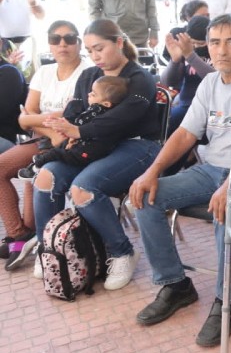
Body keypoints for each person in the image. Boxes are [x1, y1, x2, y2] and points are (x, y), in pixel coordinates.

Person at [130, 14, 231, 344]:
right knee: (146, 197)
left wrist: (230, 185)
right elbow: (186, 134)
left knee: (226, 209)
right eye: (215, 42)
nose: (222, 50)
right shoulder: (209, 83)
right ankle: (175, 285)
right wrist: (151, 172)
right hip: (211, 169)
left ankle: (227, 301)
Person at [30, 20, 161, 289]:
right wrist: (67, 131)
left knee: (83, 188)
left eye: (99, 48)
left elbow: (120, 120)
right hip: (92, 146)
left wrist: (76, 132)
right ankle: (50, 250)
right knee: (45, 177)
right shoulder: (89, 75)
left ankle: (123, 252)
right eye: (90, 50)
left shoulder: (140, 78)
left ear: (119, 43)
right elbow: (74, 111)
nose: (95, 56)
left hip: (137, 147)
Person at [1, 21, 92, 266]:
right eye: (55, 39)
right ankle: (19, 234)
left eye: (69, 38)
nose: (62, 44)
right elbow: (23, 118)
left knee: (36, 174)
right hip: (45, 139)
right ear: (49, 44)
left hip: (74, 141)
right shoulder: (44, 72)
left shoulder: (89, 71)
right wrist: (49, 130)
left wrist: (35, 119)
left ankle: (37, 240)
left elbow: (72, 115)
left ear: (79, 43)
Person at [20, 76, 129, 174]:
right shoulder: (104, 112)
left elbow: (80, 124)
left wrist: (69, 132)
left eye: (94, 94)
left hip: (85, 153)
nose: (89, 94)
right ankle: (41, 159)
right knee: (60, 147)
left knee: (56, 153)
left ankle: (35, 169)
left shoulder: (97, 110)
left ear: (106, 103)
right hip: (84, 146)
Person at [161, 15, 215, 135]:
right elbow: (167, 82)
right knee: (163, 121)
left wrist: (191, 56)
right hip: (186, 104)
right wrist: (175, 60)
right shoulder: (185, 50)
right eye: (192, 43)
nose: (195, 47)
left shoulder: (215, 52)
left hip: (210, 107)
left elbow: (216, 79)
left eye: (200, 44)